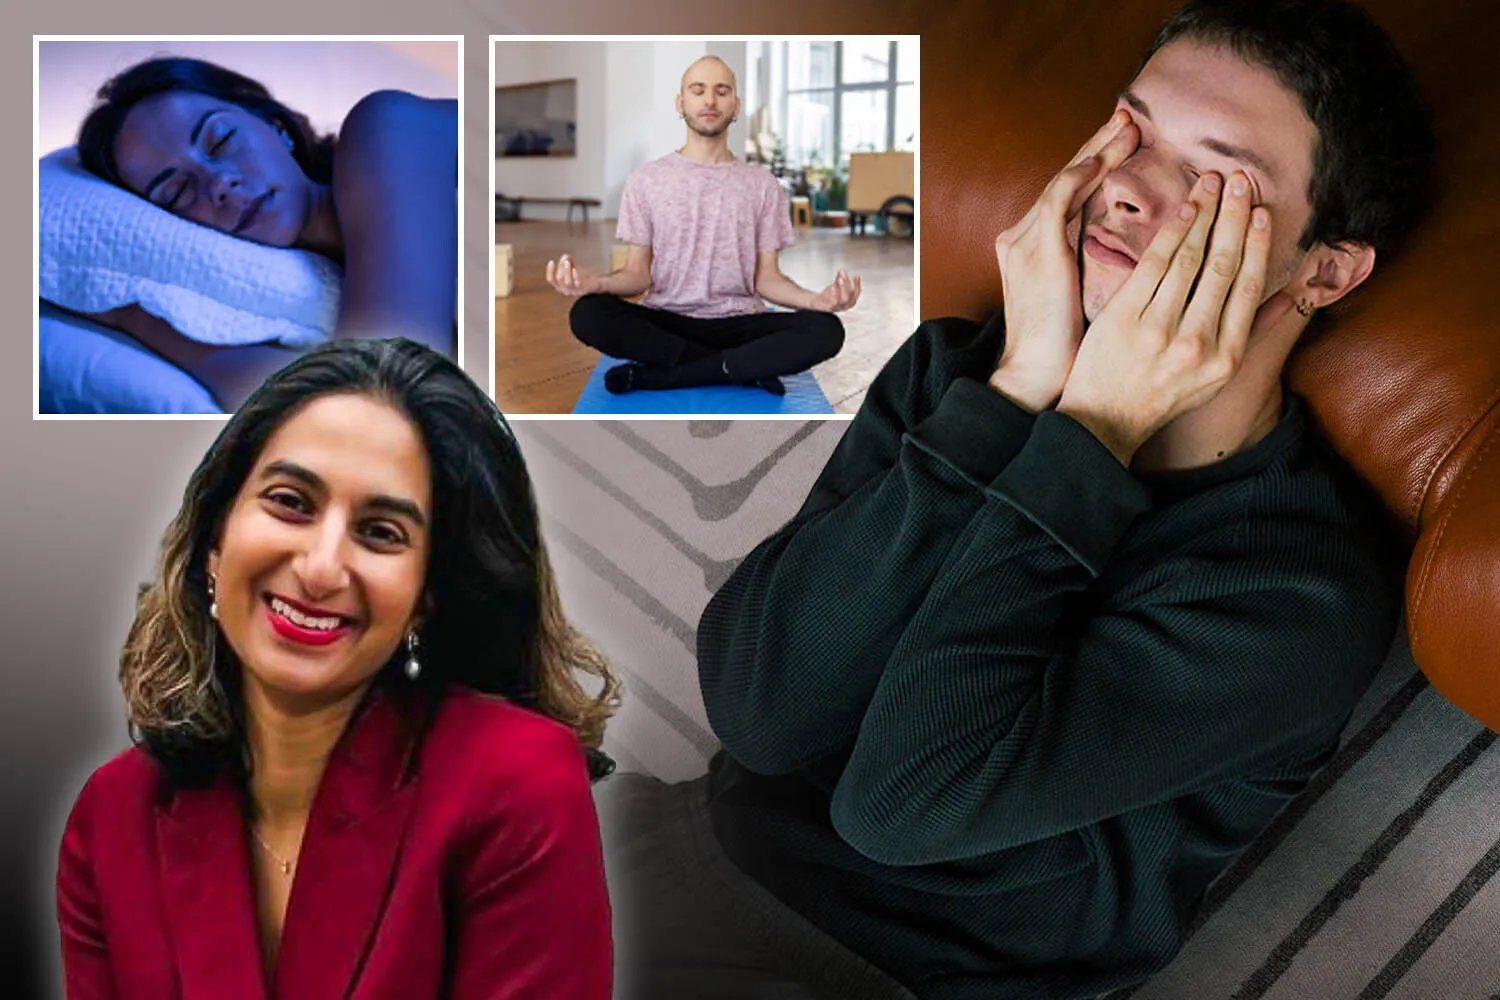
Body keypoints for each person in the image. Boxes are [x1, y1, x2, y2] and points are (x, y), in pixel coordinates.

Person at [601, 2, 1433, 998]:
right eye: (1132, 132)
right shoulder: (969, 376)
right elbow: (755, 705)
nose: (1124, 186)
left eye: (1216, 175)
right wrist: (1018, 393)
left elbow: (903, 800)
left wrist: (1093, 437)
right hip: (656, 851)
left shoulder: (1294, 588)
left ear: (1324, 269)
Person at [56, 339, 619, 999]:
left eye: (381, 532)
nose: (322, 568)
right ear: (216, 538)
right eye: (291, 502)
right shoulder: (113, 813)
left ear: (426, 594)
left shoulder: (517, 780)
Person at [75, 57, 459, 406]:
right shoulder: (312, 287)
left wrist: (140, 321)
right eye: (176, 191)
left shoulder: (388, 129)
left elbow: (382, 395)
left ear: (276, 128)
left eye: (221, 139)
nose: (219, 183)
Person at [544, 55, 859, 397]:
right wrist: (597, 284)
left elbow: (766, 278)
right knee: (589, 313)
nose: (710, 100)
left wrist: (817, 300)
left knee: (827, 330)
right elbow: (638, 275)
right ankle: (739, 368)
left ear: (735, 106)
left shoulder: (763, 185)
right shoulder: (645, 180)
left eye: (722, 91)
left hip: (739, 322)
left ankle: (667, 376)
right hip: (666, 321)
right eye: (698, 90)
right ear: (681, 103)